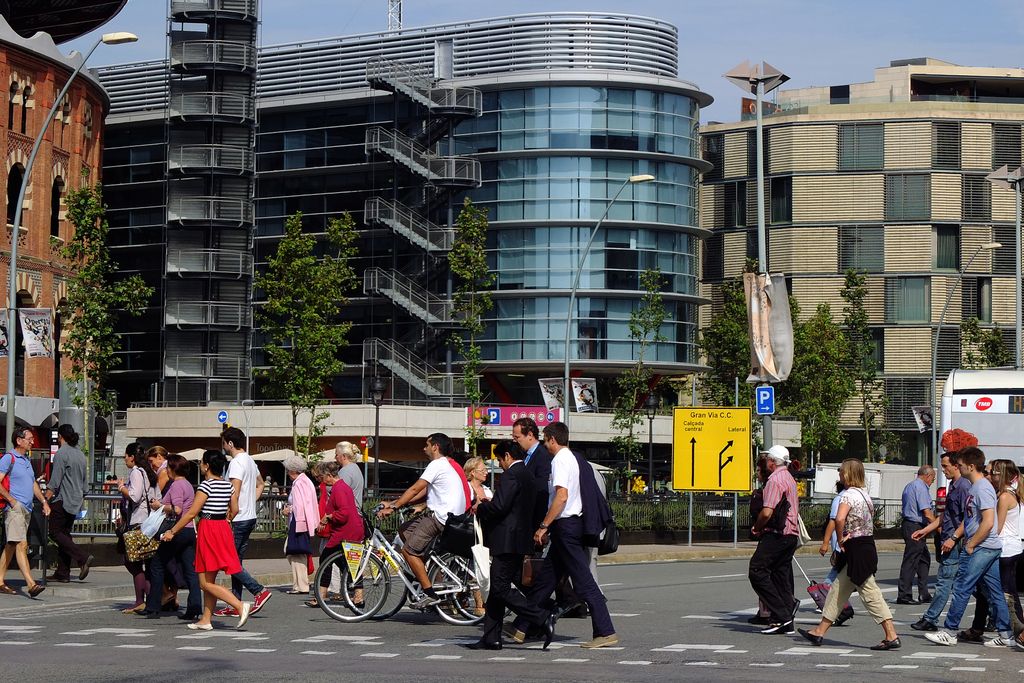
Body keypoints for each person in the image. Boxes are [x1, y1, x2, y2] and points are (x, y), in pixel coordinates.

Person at [511, 421, 617, 649]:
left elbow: (561, 496)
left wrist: (543, 525)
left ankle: (605, 631)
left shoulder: (559, 460)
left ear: (551, 439)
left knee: (584, 581)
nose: (545, 445)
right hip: (569, 527)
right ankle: (520, 626)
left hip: (566, 526)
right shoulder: (573, 457)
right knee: (545, 581)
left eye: (546, 440)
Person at [798, 458, 901, 650]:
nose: (839, 475)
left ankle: (891, 635)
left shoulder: (847, 496)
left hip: (857, 551)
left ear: (847, 474)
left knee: (871, 594)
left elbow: (839, 518)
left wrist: (841, 538)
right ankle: (820, 631)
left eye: (841, 472)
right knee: (838, 590)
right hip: (866, 547)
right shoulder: (864, 495)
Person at [465, 440, 554, 651]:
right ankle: (491, 637)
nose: (499, 464)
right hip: (520, 538)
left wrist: (483, 507)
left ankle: (541, 617)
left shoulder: (512, 474)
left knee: (499, 587)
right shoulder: (528, 474)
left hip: (507, 539)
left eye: (499, 459)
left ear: (507, 456)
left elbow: (501, 506)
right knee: (498, 589)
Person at [925, 446, 1014, 648]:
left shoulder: (982, 487)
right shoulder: (976, 487)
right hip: (986, 546)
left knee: (962, 587)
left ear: (971, 466)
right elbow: (973, 519)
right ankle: (1006, 633)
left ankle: (949, 631)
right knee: (995, 591)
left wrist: (972, 544)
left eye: (961, 465)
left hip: (983, 546)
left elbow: (989, 521)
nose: (958, 467)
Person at [161, 450, 251, 631]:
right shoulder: (228, 486)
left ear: (207, 465)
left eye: (202, 462)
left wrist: (172, 531)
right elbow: (235, 509)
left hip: (208, 528)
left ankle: (240, 605)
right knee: (210, 577)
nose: (200, 465)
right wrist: (227, 520)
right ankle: (206, 619)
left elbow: (192, 513)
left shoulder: (205, 486)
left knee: (204, 582)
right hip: (223, 529)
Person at [378, 432, 469, 607]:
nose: (424, 448)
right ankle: (421, 569)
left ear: (435, 447)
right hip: (448, 516)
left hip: (440, 517)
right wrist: (393, 503)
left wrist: (394, 508)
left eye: (427, 445)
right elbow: (422, 493)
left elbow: (414, 489)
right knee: (404, 529)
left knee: (408, 551)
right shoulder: (447, 465)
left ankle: (429, 593)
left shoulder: (437, 464)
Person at [911, 451, 971, 632]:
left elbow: (966, 518)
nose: (943, 470)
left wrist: (953, 539)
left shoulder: (963, 487)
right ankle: (993, 618)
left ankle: (930, 619)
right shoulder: (954, 485)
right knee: (972, 583)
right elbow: (945, 515)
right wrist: (925, 530)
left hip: (954, 541)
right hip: (949, 538)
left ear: (956, 465)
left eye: (945, 466)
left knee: (945, 581)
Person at [216, 427, 272, 617]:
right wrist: (251, 502)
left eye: (224, 443)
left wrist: (228, 513)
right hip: (249, 516)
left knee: (228, 561)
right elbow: (261, 483)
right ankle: (236, 602)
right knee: (235, 561)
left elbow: (234, 491)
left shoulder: (236, 463)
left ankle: (258, 591)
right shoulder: (249, 460)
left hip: (238, 518)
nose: (223, 447)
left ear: (230, 443)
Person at [142, 453, 201, 620]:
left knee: (157, 565)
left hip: (176, 529)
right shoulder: (189, 485)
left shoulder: (175, 485)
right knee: (190, 571)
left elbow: (177, 509)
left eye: (168, 468)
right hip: (189, 530)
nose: (166, 470)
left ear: (173, 469)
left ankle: (153, 607)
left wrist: (159, 505)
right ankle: (194, 606)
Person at [748, 444, 799, 635]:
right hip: (790, 534)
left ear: (771, 462)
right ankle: (786, 618)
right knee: (780, 575)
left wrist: (756, 527)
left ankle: (781, 614)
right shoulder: (789, 478)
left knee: (757, 571)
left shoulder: (775, 480)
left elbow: (767, 511)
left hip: (777, 533)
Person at [0, 427, 49, 597]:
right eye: (29, 438)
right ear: (19, 440)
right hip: (15, 510)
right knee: (21, 544)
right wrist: (12, 501)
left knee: (11, 545)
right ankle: (31, 584)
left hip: (26, 509)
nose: (32, 441)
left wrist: (43, 501)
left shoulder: (26, 460)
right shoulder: (9, 458)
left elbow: (33, 483)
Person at [309, 459, 364, 608]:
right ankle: (358, 596)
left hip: (345, 531)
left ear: (328, 475)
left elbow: (343, 513)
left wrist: (328, 517)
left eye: (320, 478)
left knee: (327, 559)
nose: (321, 481)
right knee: (349, 563)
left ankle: (321, 596)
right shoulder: (342, 486)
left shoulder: (338, 488)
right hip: (352, 529)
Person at [44, 424, 93, 583]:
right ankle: (63, 572)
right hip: (76, 501)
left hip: (62, 500)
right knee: (64, 534)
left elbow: (55, 481)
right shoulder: (80, 455)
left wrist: (45, 499)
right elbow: (85, 485)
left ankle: (82, 557)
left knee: (55, 532)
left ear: (60, 437)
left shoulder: (61, 454)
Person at [115, 442, 156, 613]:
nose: (125, 459)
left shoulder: (137, 472)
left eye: (126, 456)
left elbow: (135, 495)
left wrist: (122, 488)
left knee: (132, 561)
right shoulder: (147, 472)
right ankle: (149, 597)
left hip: (139, 521)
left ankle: (144, 598)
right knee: (143, 561)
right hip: (148, 521)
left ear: (132, 457)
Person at [989, 459, 1024, 638]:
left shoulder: (1004, 496)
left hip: (1006, 549)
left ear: (1003, 475)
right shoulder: (1009, 493)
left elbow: (998, 527)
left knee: (1007, 591)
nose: (991, 476)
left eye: (994, 472)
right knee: (1007, 590)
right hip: (1011, 547)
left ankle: (1016, 631)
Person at [897, 465, 936, 604]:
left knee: (923, 559)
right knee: (911, 560)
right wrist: (938, 526)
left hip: (910, 524)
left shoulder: (910, 485)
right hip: (915, 526)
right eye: (933, 479)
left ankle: (923, 593)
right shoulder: (921, 487)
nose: (932, 483)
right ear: (928, 476)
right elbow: (927, 512)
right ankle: (904, 594)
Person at [817, 479, 854, 625]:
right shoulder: (840, 498)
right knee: (839, 571)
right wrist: (825, 543)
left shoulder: (852, 495)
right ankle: (824, 595)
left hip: (848, 542)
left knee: (841, 572)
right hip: (841, 542)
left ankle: (827, 598)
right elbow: (833, 521)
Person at [281, 455, 318, 596]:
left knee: (295, 553)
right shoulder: (305, 481)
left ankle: (301, 585)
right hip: (304, 521)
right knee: (296, 553)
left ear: (292, 470)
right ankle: (300, 584)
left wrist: (288, 509)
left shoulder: (299, 483)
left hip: (298, 522)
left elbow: (299, 505)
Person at [511, 417, 551, 529]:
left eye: (517, 437)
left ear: (530, 435)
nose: (515, 441)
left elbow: (542, 489)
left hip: (535, 517)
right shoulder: (524, 455)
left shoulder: (542, 456)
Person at [334, 441, 364, 506]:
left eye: (336, 455)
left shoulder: (345, 471)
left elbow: (339, 495)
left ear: (344, 456)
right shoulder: (355, 467)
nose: (335, 457)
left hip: (348, 512)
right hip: (355, 510)